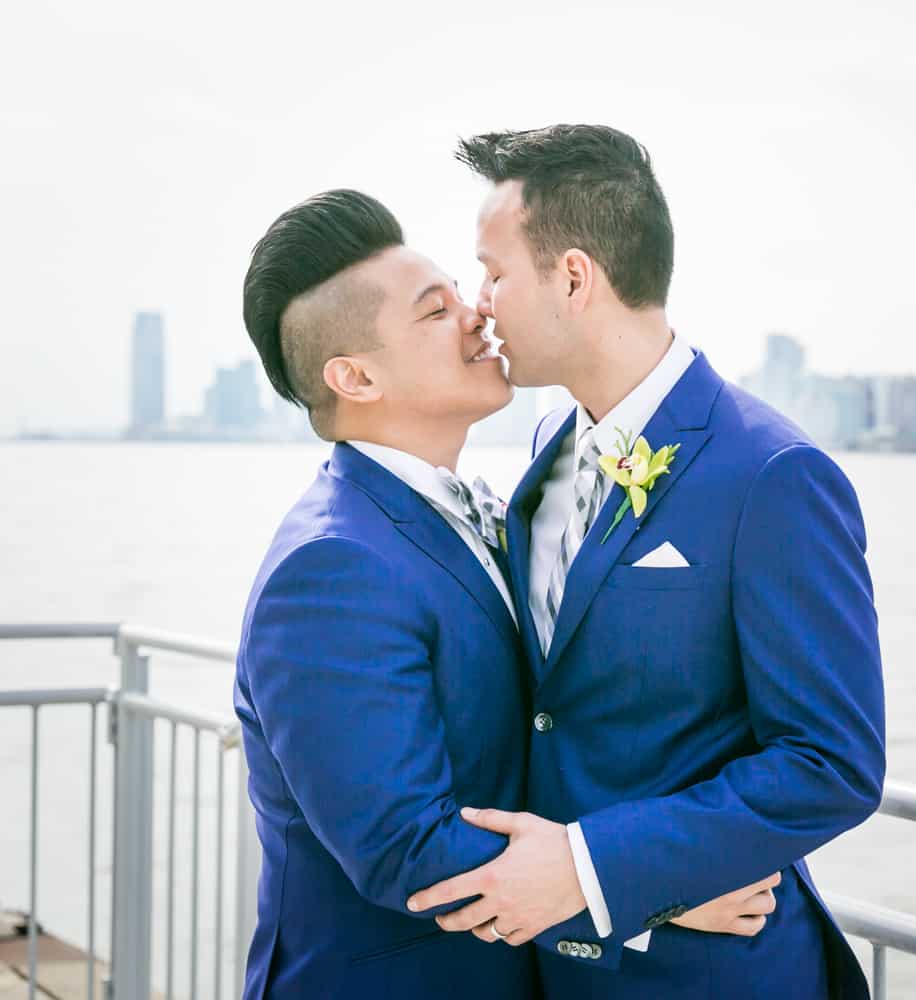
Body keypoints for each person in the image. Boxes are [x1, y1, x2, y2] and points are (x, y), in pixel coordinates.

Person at [235, 188, 772, 999]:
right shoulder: (332, 568)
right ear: (355, 375)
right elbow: (406, 849)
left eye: (466, 290)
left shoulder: (479, 507)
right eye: (434, 311)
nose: (478, 315)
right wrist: (649, 892)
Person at [405, 125, 887, 999]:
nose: (481, 304)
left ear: (576, 279)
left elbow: (832, 763)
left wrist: (599, 868)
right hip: (560, 967)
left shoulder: (771, 476)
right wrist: (639, 897)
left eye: (496, 272)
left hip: (714, 980)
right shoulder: (548, 449)